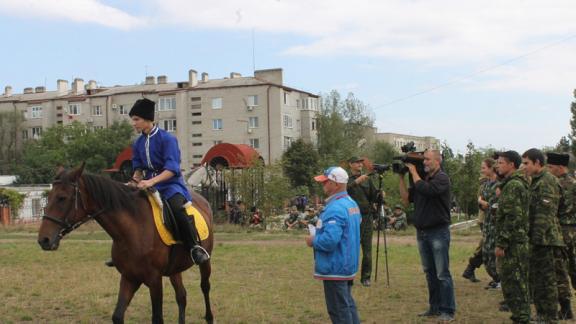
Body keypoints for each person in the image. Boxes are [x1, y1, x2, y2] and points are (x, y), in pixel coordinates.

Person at [129, 98, 209, 265]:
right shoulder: (138, 143)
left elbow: (172, 169)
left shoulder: (168, 139)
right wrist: (134, 181)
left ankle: (194, 247)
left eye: (136, 119)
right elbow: (138, 169)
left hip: (171, 185)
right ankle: (126, 251)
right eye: (133, 119)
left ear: (147, 119)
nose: (133, 123)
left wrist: (151, 182)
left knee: (177, 209)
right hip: (148, 184)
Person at [399, 149, 455, 322]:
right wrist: (401, 177)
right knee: (430, 272)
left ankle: (448, 310)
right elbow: (406, 200)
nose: (424, 162)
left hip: (438, 231)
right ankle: (434, 307)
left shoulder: (442, 178)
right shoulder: (422, 180)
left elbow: (429, 191)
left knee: (442, 274)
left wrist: (414, 172)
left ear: (438, 161)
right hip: (422, 232)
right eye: (423, 160)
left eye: (428, 159)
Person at [305, 166, 361, 324]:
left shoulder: (335, 208)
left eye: (326, 182)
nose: (323, 185)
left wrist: (312, 240)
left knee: (338, 310)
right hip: (347, 263)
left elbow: (330, 241)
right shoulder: (351, 203)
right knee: (347, 305)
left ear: (336, 184)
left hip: (335, 266)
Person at [522, 148, 566, 323]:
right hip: (538, 239)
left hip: (545, 240)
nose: (523, 167)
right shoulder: (536, 180)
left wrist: (535, 239)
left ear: (538, 163)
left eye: (526, 163)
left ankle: (548, 316)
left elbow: (544, 215)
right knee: (537, 279)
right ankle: (541, 314)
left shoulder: (547, 181)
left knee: (546, 281)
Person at [493, 151, 530, 323]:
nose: (497, 165)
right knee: (511, 283)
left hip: (513, 243)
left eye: (501, 163)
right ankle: (519, 316)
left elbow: (512, 217)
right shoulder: (510, 184)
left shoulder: (514, 185)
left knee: (515, 284)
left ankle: (522, 318)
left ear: (511, 165)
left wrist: (502, 243)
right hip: (514, 241)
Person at [546, 152, 575, 320]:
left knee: (560, 271)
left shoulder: (555, 185)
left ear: (560, 167)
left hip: (561, 232)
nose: (548, 170)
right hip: (574, 232)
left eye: (550, 167)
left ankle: (565, 309)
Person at [347, 156, 379, 287]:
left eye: (361, 162)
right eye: (356, 162)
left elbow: (374, 196)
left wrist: (380, 194)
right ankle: (349, 276)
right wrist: (356, 182)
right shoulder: (346, 180)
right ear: (350, 165)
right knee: (351, 248)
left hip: (366, 217)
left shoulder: (367, 179)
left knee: (367, 249)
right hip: (351, 217)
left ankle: (366, 277)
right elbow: (342, 191)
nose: (360, 164)